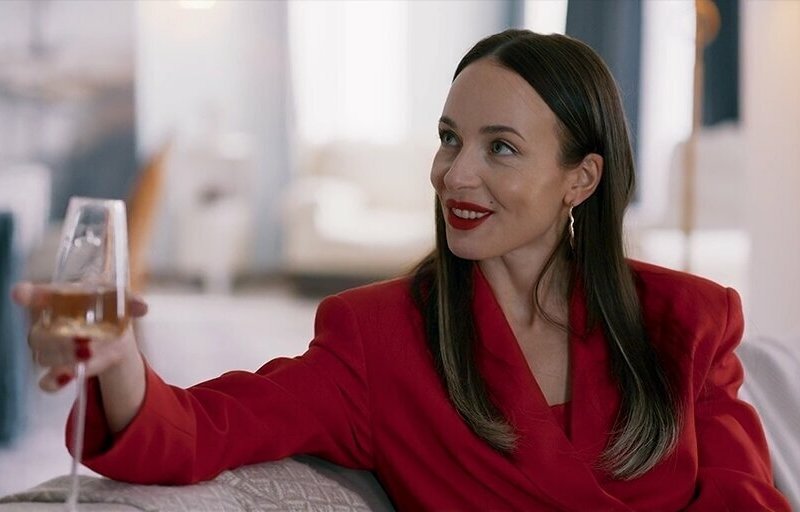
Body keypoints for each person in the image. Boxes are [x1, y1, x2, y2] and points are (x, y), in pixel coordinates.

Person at [13, 29, 790, 511]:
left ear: (580, 179)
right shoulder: (377, 337)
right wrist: (118, 360)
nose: (455, 174)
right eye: (450, 138)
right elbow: (203, 430)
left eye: (501, 148)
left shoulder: (689, 321)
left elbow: (746, 500)